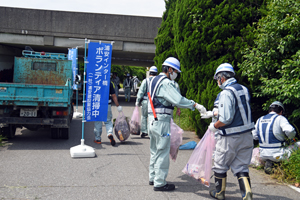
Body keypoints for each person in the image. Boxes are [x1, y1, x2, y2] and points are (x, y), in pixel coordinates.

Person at [147, 57, 207, 191]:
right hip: (162, 122)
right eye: (175, 72)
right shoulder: (165, 83)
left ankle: (153, 177)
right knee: (163, 151)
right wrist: (195, 105)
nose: (176, 75)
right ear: (169, 69)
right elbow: (178, 100)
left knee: (154, 150)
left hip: (152, 120)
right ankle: (160, 182)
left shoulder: (153, 80)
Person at [208, 63, 254, 200]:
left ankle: (219, 193)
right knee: (241, 167)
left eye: (217, 79)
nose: (218, 82)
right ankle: (247, 194)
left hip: (230, 137)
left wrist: (214, 126)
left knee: (220, 165)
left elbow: (226, 118)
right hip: (247, 136)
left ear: (221, 78)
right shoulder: (244, 89)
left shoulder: (226, 93)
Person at [252, 101, 297, 174]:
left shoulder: (260, 119)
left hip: (263, 154)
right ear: (281, 111)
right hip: (278, 154)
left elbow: (254, 136)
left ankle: (271, 163)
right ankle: (284, 166)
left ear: (269, 110)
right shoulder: (280, 118)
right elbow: (290, 130)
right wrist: (291, 138)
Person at [94, 81, 122, 146]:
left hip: (97, 104)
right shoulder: (109, 82)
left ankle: (98, 139)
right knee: (108, 121)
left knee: (98, 121)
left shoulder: (95, 80)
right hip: (107, 104)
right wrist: (117, 105)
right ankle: (110, 134)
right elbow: (113, 95)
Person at [135, 66, 158, 138]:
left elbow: (141, 92)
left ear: (150, 73)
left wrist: (137, 101)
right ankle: (151, 131)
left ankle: (144, 131)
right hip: (155, 102)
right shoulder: (158, 81)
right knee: (153, 116)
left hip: (145, 101)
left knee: (144, 116)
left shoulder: (146, 81)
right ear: (156, 73)